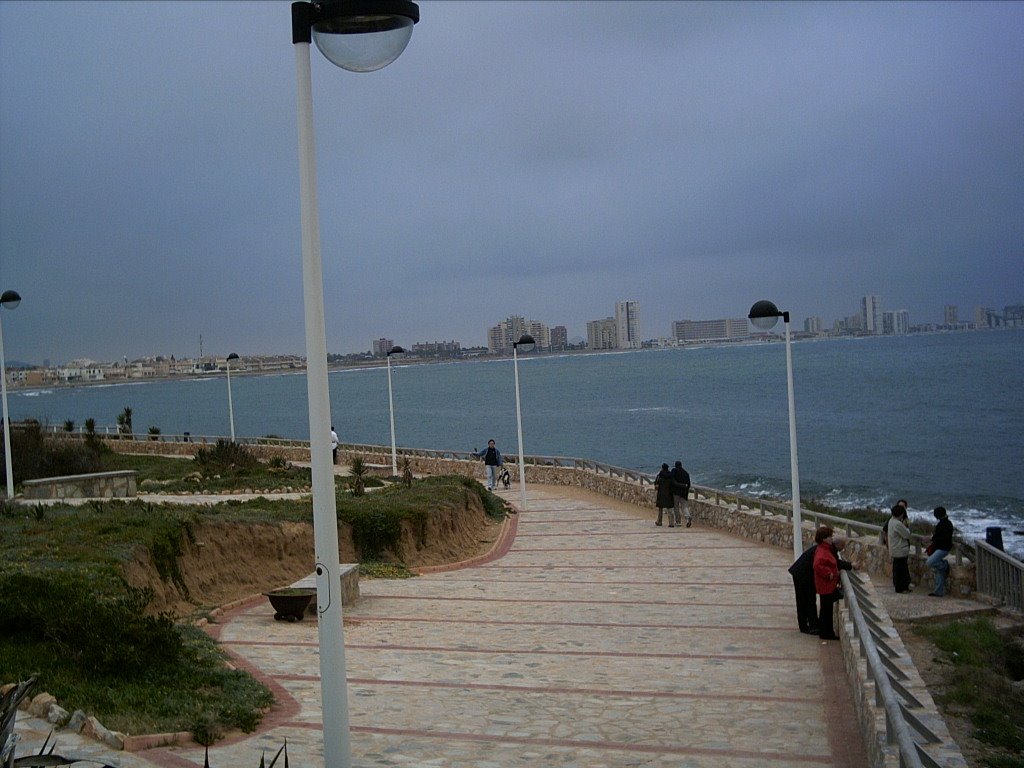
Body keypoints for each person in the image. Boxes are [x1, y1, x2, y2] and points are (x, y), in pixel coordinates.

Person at [813, 526, 847, 640]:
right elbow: (817, 565)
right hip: (825, 585)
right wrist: (829, 574)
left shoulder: (825, 548)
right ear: (824, 538)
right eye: (829, 536)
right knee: (826, 610)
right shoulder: (823, 550)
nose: (831, 538)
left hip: (826, 585)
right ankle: (826, 633)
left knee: (826, 609)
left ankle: (826, 632)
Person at [788, 541, 820, 635]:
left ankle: (809, 625)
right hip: (802, 575)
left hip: (801, 573)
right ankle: (808, 626)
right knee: (806, 600)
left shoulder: (820, 548)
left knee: (805, 600)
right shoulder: (823, 550)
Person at [926, 506, 954, 597]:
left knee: (929, 562)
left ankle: (944, 565)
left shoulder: (945, 524)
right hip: (940, 547)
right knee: (939, 571)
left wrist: (932, 538)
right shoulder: (945, 523)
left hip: (943, 548)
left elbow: (942, 537)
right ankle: (938, 591)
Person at [888, 504, 913, 593]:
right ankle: (900, 588)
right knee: (901, 570)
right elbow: (907, 534)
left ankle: (903, 587)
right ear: (901, 514)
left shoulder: (891, 521)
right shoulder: (898, 524)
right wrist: (908, 527)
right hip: (899, 549)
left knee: (898, 569)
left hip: (894, 549)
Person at [670, 460, 692, 528]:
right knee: (684, 506)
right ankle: (688, 517)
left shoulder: (674, 471)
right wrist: (685, 488)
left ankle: (678, 521)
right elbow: (689, 485)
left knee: (676, 507)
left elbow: (672, 481)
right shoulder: (686, 473)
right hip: (684, 493)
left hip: (676, 492)